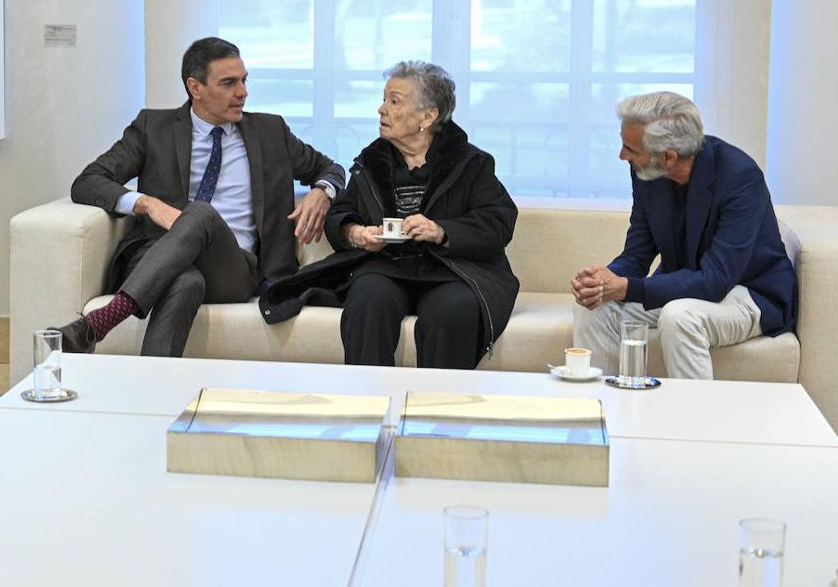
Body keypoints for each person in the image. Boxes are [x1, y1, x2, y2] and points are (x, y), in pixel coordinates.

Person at [58, 37, 345, 357]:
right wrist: (146, 203)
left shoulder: (270, 131)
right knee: (185, 282)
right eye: (229, 83)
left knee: (201, 213)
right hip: (161, 258)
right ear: (195, 87)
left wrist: (323, 191)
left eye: (244, 80)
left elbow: (331, 169)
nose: (243, 92)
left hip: (234, 268)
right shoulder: (154, 128)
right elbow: (88, 181)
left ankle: (103, 320)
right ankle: (152, 392)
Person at [260, 61, 519, 369]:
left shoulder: (471, 163)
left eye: (394, 101)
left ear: (428, 116)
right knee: (368, 298)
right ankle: (369, 406)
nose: (381, 109)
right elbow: (342, 211)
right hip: (385, 266)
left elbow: (498, 221)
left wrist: (441, 231)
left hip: (452, 270)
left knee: (452, 310)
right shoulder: (372, 161)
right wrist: (354, 233)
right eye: (384, 99)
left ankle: (436, 407)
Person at [571, 91, 797, 379]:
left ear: (668, 157)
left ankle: (694, 423)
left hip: (749, 293)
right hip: (686, 288)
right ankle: (602, 413)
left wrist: (626, 287)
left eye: (630, 148)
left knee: (679, 317)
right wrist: (603, 281)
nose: (622, 155)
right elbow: (637, 253)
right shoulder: (646, 172)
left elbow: (715, 280)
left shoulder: (740, 176)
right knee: (594, 308)